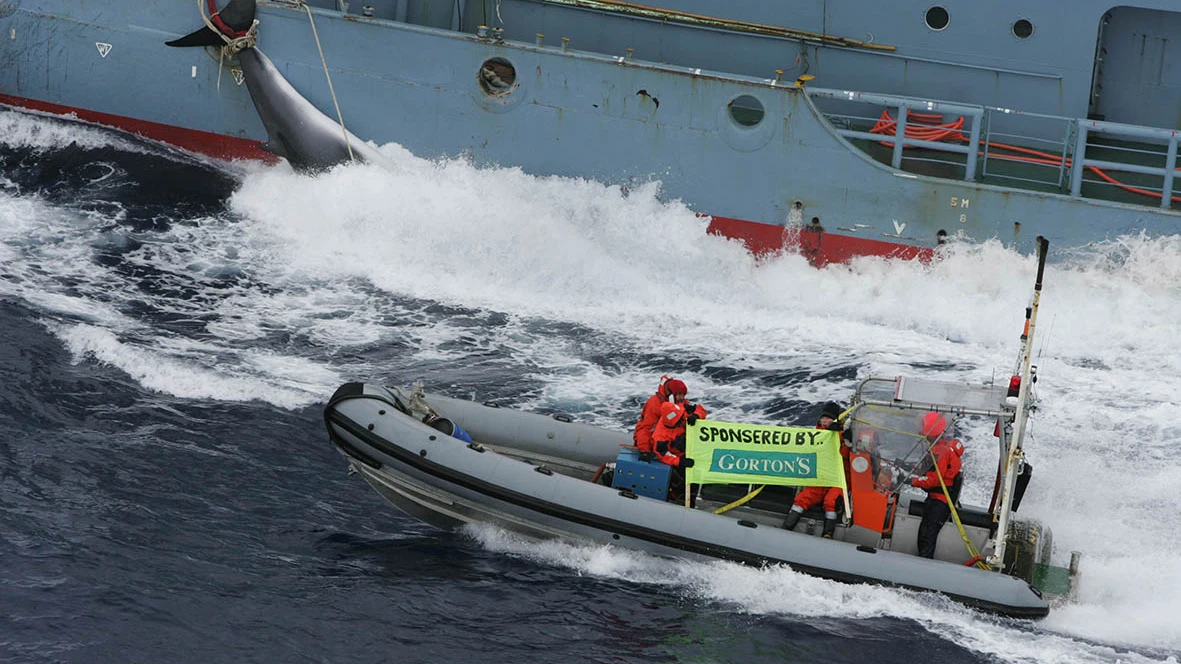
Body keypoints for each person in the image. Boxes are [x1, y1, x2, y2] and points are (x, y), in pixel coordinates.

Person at [782, 401, 849, 538]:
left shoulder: (843, 435)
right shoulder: (816, 435)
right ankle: (787, 527)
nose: (825, 421)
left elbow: (845, 455)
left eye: (828, 418)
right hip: (821, 478)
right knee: (802, 499)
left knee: (830, 502)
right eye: (823, 418)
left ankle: (828, 534)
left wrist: (843, 438)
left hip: (839, 480)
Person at [909, 412, 965, 558]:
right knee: (924, 533)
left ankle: (924, 565)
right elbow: (928, 469)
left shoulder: (942, 452)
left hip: (940, 502)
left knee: (927, 536)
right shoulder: (940, 448)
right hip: (936, 499)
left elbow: (934, 479)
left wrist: (911, 481)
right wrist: (909, 467)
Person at [633, 376, 703, 453]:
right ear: (671, 395)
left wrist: (696, 415)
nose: (682, 398)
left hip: (673, 442)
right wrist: (644, 451)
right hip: (657, 444)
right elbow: (645, 429)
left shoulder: (681, 403)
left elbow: (699, 409)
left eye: (683, 395)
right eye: (679, 394)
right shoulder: (654, 404)